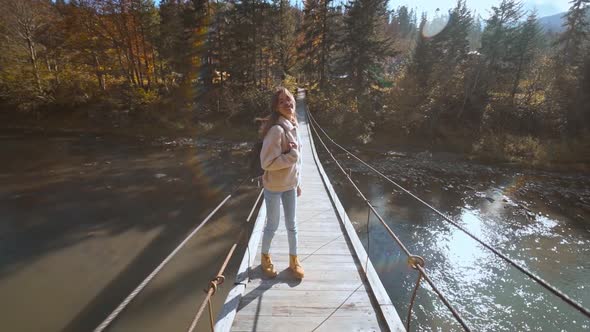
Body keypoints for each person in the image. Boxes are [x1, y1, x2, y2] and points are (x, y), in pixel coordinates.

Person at [258, 87, 304, 279]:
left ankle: (294, 260)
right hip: (274, 188)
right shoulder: (277, 130)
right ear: (276, 107)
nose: (287, 103)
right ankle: (265, 258)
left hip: (290, 185)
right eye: (282, 101)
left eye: (289, 99)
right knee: (272, 226)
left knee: (292, 226)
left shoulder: (294, 125)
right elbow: (266, 163)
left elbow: (298, 160)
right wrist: (291, 157)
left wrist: (298, 181)